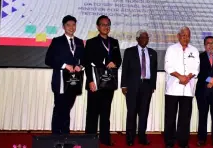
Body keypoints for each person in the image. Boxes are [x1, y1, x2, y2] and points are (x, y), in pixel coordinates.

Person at [84, 15, 122, 146]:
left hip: (108, 83)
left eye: (108, 25)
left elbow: (119, 60)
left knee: (106, 112)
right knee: (92, 113)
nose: (106, 27)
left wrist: (115, 63)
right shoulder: (91, 42)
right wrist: (90, 81)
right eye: (103, 24)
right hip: (95, 82)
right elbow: (87, 63)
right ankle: (90, 140)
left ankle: (105, 139)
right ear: (97, 26)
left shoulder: (114, 42)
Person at [45, 15, 84, 135]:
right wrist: (64, 65)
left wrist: (80, 66)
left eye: (73, 25)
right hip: (61, 81)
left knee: (67, 109)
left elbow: (83, 59)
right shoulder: (57, 41)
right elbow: (48, 60)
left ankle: (65, 135)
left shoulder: (79, 42)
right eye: (68, 25)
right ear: (63, 27)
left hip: (73, 82)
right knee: (59, 108)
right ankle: (56, 135)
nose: (71, 27)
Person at [164, 26, 200, 148]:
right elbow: (168, 67)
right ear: (178, 36)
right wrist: (180, 77)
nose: (186, 38)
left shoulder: (194, 50)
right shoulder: (171, 49)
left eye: (188, 35)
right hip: (173, 89)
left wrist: (188, 77)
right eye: (183, 35)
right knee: (170, 117)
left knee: (185, 118)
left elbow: (196, 68)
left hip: (188, 89)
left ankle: (183, 142)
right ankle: (169, 142)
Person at [121, 30, 158, 146]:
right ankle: (130, 138)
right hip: (132, 86)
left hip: (147, 86)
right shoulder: (129, 51)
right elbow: (125, 69)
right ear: (137, 39)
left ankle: (142, 137)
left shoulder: (153, 53)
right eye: (142, 37)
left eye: (146, 37)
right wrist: (123, 85)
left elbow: (154, 71)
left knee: (144, 113)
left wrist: (153, 86)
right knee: (131, 113)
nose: (144, 39)